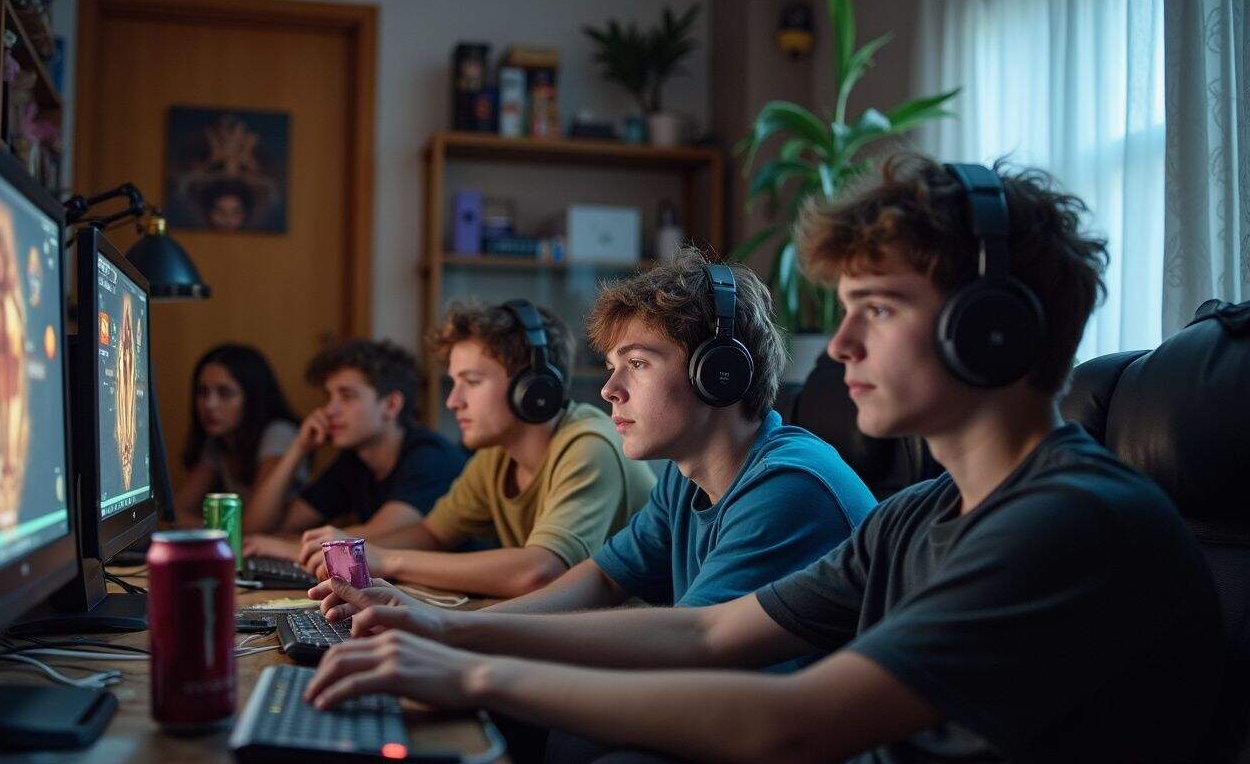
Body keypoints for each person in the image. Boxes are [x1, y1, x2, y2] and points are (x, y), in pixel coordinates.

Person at [298, 155, 1226, 763]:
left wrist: (470, 672)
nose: (842, 345)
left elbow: (787, 724)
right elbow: (707, 633)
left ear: (994, 333)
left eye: (882, 307)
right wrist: (446, 631)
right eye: (846, 307)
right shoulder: (921, 514)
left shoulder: (1065, 522)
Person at [314, 252, 875, 623]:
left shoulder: (787, 485)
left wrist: (454, 638)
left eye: (637, 363)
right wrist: (442, 623)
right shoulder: (686, 481)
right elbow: (603, 579)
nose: (609, 389)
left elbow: (691, 643)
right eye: (611, 365)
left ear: (718, 372)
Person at [299, 300, 657, 600]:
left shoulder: (589, 445)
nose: (453, 401)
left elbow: (540, 571)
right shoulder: (496, 456)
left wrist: (387, 560)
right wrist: (351, 546)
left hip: (641, 650)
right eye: (454, 383)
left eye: (471, 382)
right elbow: (433, 534)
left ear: (534, 388)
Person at [241, 339, 466, 560]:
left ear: (391, 405)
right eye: (329, 397)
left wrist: (282, 547)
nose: (329, 410)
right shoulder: (354, 461)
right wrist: (297, 449)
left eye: (347, 396)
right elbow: (261, 528)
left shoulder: (430, 457)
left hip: (464, 594)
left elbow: (371, 541)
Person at [177, 343, 306, 521]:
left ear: (252, 398)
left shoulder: (278, 433)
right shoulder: (217, 442)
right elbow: (176, 512)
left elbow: (254, 525)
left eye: (225, 393)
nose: (209, 404)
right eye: (202, 392)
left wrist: (203, 531)